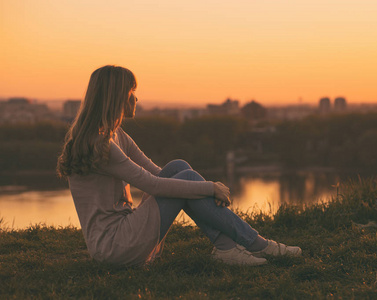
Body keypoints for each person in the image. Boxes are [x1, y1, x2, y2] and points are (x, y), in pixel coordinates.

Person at [57, 65, 301, 267]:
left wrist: (199, 185)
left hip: (124, 234)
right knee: (185, 179)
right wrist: (210, 187)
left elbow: (158, 173)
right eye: (132, 91)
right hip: (114, 247)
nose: (137, 98)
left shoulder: (115, 134)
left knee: (178, 167)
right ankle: (258, 244)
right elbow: (153, 185)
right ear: (117, 96)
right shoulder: (101, 144)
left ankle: (227, 249)